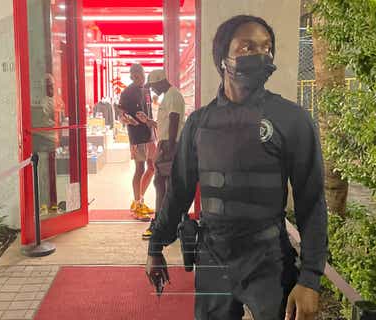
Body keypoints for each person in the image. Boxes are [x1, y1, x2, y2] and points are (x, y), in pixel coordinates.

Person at [145, 15, 327, 320]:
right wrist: (156, 245)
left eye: (266, 48)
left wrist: (310, 278)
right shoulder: (198, 124)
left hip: (269, 261)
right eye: (247, 47)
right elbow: (178, 191)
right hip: (212, 257)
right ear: (223, 58)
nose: (260, 55)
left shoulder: (291, 120)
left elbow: (312, 202)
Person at [136, 70, 186, 240]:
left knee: (162, 183)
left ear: (160, 82)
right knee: (163, 184)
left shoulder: (173, 96)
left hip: (169, 145)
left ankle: (160, 224)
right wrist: (149, 122)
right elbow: (166, 124)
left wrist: (170, 147)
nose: (152, 90)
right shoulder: (170, 96)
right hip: (166, 144)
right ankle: (164, 222)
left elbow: (174, 121)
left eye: (153, 87)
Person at [117, 63, 156, 220]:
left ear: (143, 73)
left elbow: (149, 110)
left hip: (149, 134)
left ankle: (139, 199)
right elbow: (120, 112)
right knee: (139, 168)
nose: (138, 77)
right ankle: (137, 203)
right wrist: (125, 118)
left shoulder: (146, 89)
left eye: (140, 74)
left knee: (152, 167)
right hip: (137, 135)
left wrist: (152, 124)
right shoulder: (127, 92)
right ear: (131, 76)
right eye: (135, 75)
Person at [31, 74, 59, 214]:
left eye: (52, 85)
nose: (51, 88)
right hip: (43, 140)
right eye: (48, 86)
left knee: (51, 173)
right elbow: (42, 120)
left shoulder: (54, 100)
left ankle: (52, 202)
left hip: (51, 140)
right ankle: (44, 203)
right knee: (43, 174)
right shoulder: (43, 102)